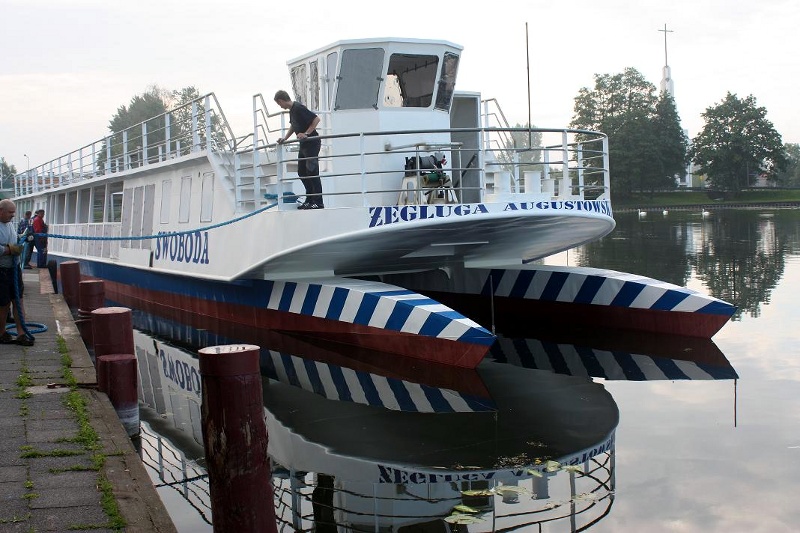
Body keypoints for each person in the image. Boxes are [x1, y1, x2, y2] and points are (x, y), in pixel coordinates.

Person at [274, 90, 324, 209]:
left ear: (281, 100)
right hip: (304, 145)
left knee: (312, 172)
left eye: (279, 104)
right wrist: (285, 138)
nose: (280, 106)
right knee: (302, 172)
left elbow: (316, 119)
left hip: (311, 143)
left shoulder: (298, 107)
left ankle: (318, 202)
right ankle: (310, 199)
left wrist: (306, 133)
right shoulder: (292, 110)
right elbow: (294, 125)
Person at [0, 199, 33, 345]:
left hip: (14, 269)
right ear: (0, 210)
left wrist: (22, 238)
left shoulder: (9, 224)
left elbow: (13, 239)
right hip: (1, 270)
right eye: (10, 212)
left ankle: (21, 333)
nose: (13, 215)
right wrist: (10, 250)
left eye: (14, 212)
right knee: (3, 304)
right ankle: (1, 332)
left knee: (18, 301)